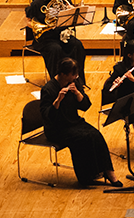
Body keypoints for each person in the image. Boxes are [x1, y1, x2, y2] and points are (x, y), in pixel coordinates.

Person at [40, 58, 120, 187]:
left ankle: (108, 172)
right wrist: (58, 100)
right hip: (56, 128)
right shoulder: (48, 89)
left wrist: (77, 93)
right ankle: (86, 177)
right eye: (73, 74)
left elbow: (85, 105)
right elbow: (47, 116)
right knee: (81, 139)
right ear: (64, 74)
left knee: (96, 135)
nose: (76, 77)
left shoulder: (74, 82)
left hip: (73, 122)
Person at [26, 0, 87, 85]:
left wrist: (72, 11)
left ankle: (78, 80)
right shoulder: (37, 3)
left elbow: (71, 19)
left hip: (61, 34)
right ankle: (58, 82)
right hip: (46, 38)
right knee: (55, 49)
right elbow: (28, 20)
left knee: (77, 45)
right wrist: (39, 26)